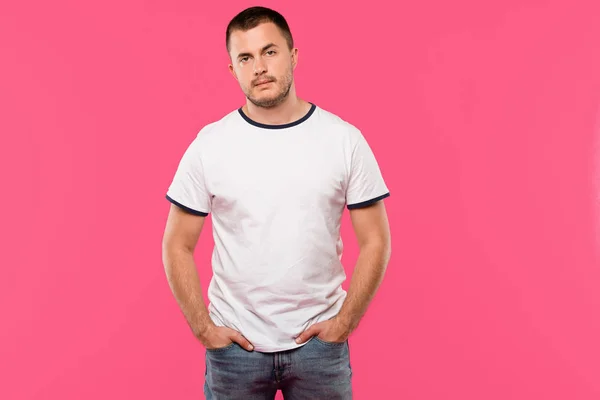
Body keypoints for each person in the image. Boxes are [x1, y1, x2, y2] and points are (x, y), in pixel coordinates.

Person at [162, 6, 391, 399]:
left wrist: (344, 324)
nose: (259, 67)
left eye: (270, 52)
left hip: (321, 348)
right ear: (232, 70)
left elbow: (376, 241)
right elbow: (176, 244)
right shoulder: (210, 145)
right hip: (235, 349)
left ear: (293, 55)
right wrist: (203, 328)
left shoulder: (343, 140)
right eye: (245, 58)